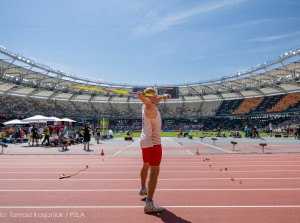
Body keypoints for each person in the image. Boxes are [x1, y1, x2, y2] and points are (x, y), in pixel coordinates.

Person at [137, 88, 170, 214]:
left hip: (145, 141)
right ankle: (149, 203)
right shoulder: (149, 106)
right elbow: (147, 101)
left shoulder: (147, 105)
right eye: (154, 96)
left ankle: (143, 188)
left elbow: (151, 101)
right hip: (153, 143)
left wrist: (164, 97)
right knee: (154, 172)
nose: (157, 98)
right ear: (149, 97)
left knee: (145, 165)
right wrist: (141, 96)